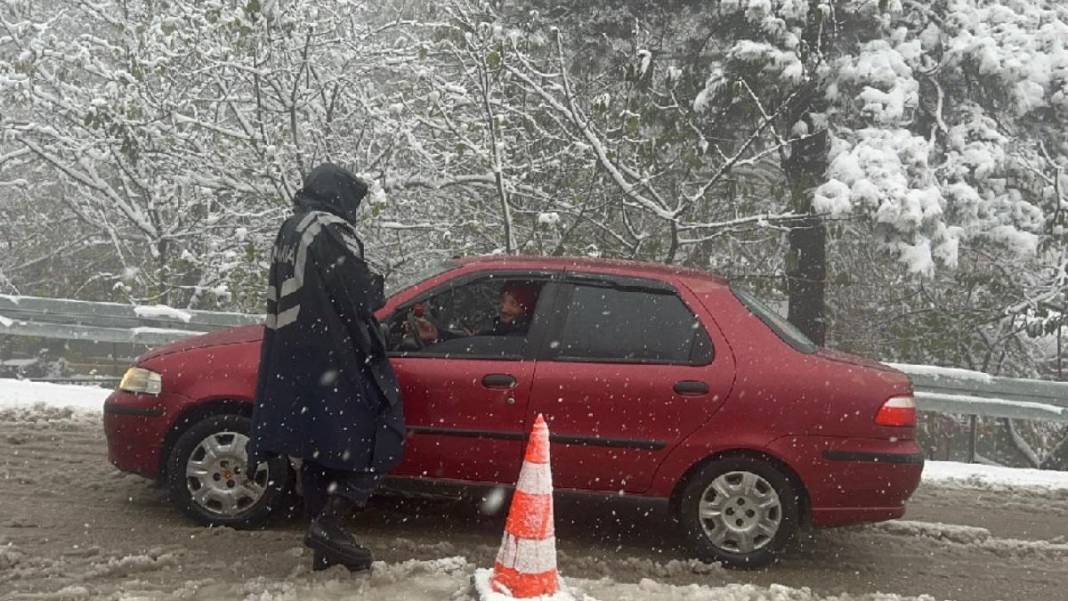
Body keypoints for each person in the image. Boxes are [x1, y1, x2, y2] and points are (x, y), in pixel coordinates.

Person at [248, 163, 404, 572]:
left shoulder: (292, 227)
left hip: (294, 356)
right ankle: (331, 522)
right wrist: (377, 284)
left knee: (321, 451)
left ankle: (325, 547)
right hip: (332, 356)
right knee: (383, 430)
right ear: (341, 195)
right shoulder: (329, 229)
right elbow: (359, 295)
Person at [412, 281, 539, 344]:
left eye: (514, 304)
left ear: (526, 309)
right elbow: (475, 343)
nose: (504, 308)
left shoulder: (518, 339)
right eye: (503, 300)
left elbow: (480, 349)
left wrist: (471, 342)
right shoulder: (503, 330)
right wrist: (437, 334)